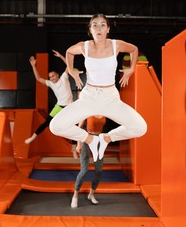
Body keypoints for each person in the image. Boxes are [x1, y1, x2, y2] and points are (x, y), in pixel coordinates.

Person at [49, 13, 147, 162]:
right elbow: (69, 52)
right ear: (90, 30)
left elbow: (133, 49)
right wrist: (72, 71)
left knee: (140, 128)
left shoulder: (116, 45)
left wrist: (131, 70)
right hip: (89, 97)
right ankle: (91, 140)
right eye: (95, 25)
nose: (99, 28)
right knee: (55, 126)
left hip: (110, 98)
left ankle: (105, 139)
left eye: (102, 25)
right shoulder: (85, 46)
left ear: (107, 29)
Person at [24, 50, 73, 145]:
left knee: (73, 125)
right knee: (47, 122)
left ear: (57, 75)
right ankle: (32, 138)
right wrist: (33, 65)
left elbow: (69, 65)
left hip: (69, 106)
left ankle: (74, 147)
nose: (52, 78)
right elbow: (38, 78)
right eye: (50, 77)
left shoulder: (64, 78)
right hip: (59, 106)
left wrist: (61, 56)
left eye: (53, 76)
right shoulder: (50, 84)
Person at [71, 115, 106, 208]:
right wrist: (78, 144)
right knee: (84, 170)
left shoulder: (104, 111)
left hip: (99, 141)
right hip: (86, 140)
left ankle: (91, 194)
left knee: (99, 171)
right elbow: (79, 128)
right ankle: (75, 196)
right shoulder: (88, 110)